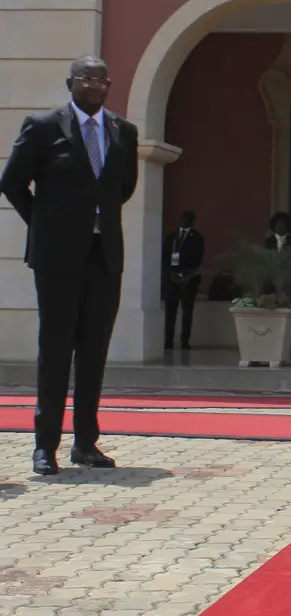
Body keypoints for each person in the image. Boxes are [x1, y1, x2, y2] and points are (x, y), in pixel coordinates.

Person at [0, 56, 139, 475]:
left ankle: (85, 443)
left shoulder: (122, 131)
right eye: (86, 78)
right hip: (56, 257)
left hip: (104, 255)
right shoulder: (44, 127)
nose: (94, 84)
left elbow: (124, 187)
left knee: (93, 351)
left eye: (101, 78)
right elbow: (11, 182)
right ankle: (45, 446)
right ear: (70, 83)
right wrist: (44, 225)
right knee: (56, 349)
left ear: (109, 85)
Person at [163, 210, 205, 350]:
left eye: (188, 219)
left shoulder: (197, 238)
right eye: (183, 218)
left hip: (188, 280)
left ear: (192, 222)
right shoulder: (172, 237)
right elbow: (165, 257)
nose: (184, 221)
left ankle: (184, 340)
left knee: (187, 311)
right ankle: (168, 340)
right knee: (170, 311)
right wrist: (171, 273)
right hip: (172, 280)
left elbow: (197, 259)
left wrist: (184, 275)